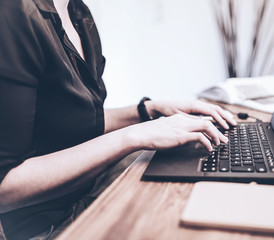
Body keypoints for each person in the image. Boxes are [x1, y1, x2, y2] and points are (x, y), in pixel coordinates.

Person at [0, 0, 236, 239]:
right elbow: (4, 189)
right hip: (46, 227)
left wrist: (147, 111)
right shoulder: (15, 12)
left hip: (90, 188)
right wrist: (133, 136)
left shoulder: (77, 13)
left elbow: (75, 122)